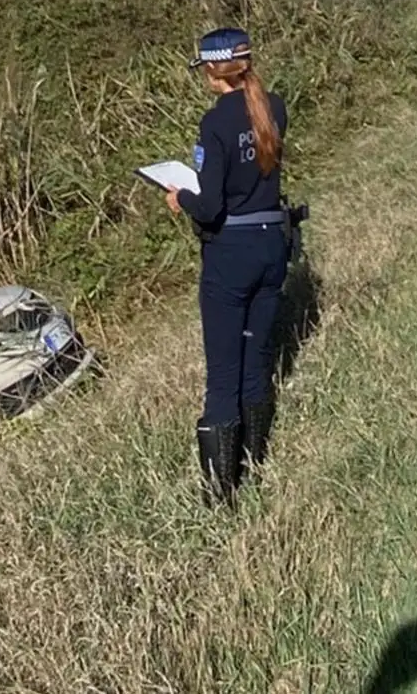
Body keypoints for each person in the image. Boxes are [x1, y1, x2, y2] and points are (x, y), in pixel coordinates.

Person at [165, 26, 290, 507]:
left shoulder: (213, 124)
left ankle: (221, 494)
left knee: (222, 376)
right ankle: (255, 466)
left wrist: (181, 197)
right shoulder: (273, 107)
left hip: (230, 255)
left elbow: (211, 205)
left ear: (211, 71)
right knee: (255, 364)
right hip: (272, 247)